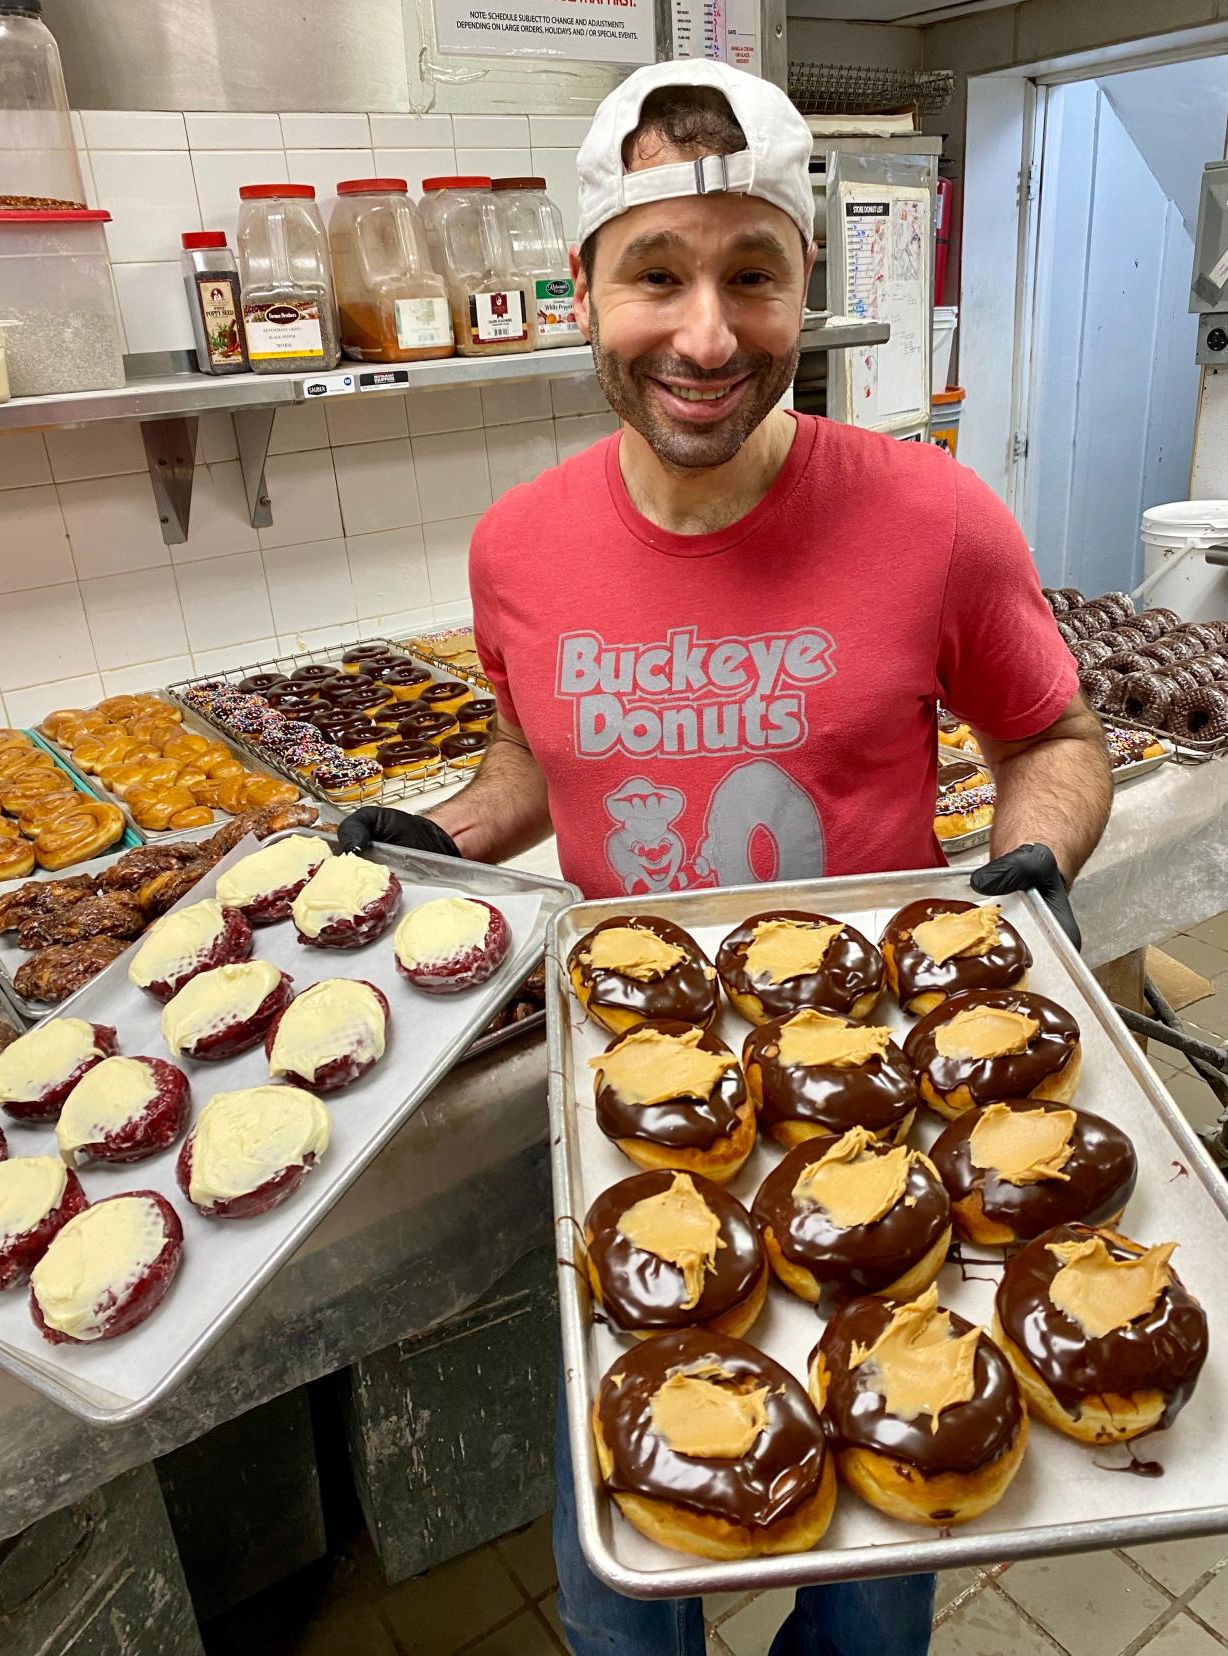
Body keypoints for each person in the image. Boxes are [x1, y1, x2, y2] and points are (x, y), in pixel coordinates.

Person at [341, 57, 1112, 1656]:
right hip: (647, 1132)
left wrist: (1031, 874)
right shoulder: (517, 547)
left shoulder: (934, 518)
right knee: (624, 1589)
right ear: (582, 291)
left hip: (880, 1135)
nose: (705, 335)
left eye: (750, 273)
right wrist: (452, 834)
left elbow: (1052, 743)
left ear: (802, 285)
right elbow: (535, 763)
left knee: (875, 1589)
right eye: (656, 276)